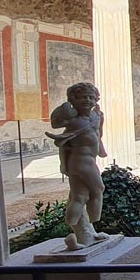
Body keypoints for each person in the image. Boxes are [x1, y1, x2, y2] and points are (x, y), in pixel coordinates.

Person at [45, 82, 109, 251]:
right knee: (98, 189)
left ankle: (84, 233)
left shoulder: (94, 117)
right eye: (83, 98)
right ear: (74, 100)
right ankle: (88, 222)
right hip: (81, 162)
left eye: (91, 97)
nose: (87, 100)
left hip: (88, 160)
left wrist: (101, 122)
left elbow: (97, 134)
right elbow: (60, 135)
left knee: (80, 196)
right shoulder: (75, 122)